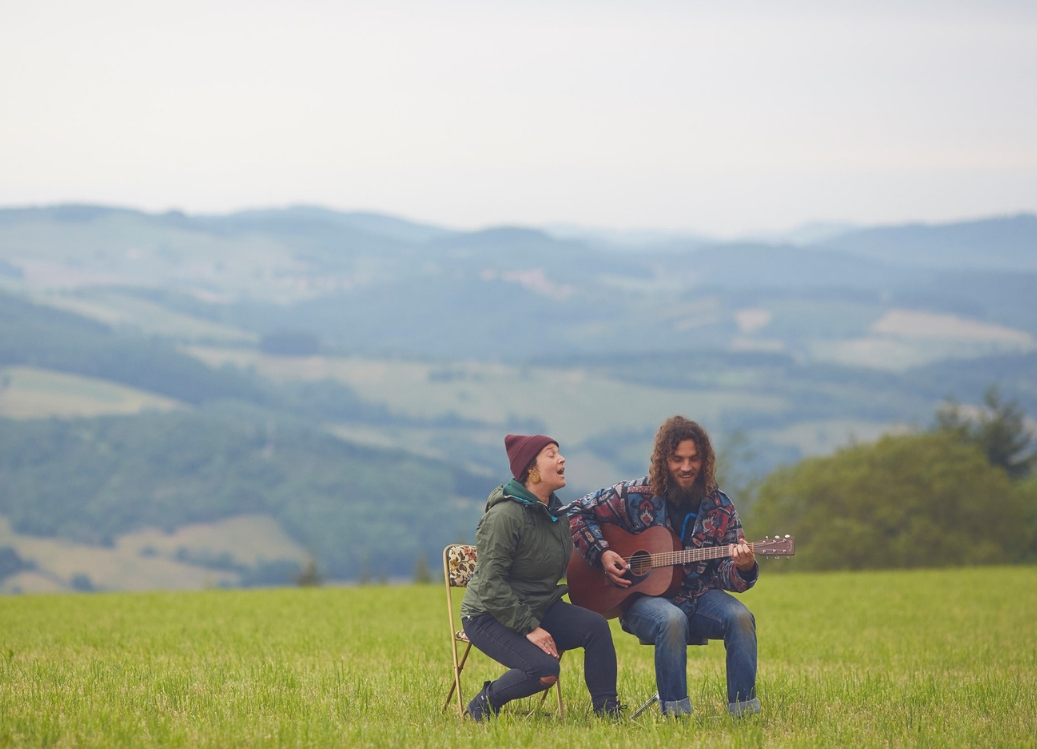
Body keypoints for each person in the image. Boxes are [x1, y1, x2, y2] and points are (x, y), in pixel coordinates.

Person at [568, 416, 761, 718]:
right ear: (663, 460)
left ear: (705, 460)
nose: (686, 467)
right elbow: (578, 511)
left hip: (699, 597)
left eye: (694, 459)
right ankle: (675, 713)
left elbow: (728, 575)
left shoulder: (720, 507)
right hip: (641, 601)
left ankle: (744, 711)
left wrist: (744, 567)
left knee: (741, 617)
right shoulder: (633, 496)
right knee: (671, 619)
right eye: (677, 459)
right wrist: (602, 553)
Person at [460, 433, 621, 721]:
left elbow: (574, 554)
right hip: (489, 615)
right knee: (545, 670)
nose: (562, 459)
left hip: (539, 606)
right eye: (551, 454)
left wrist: (605, 556)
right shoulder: (504, 517)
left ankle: (608, 714)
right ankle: (483, 702)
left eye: (559, 453)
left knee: (595, 627)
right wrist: (529, 627)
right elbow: (489, 584)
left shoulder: (556, 514)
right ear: (531, 470)